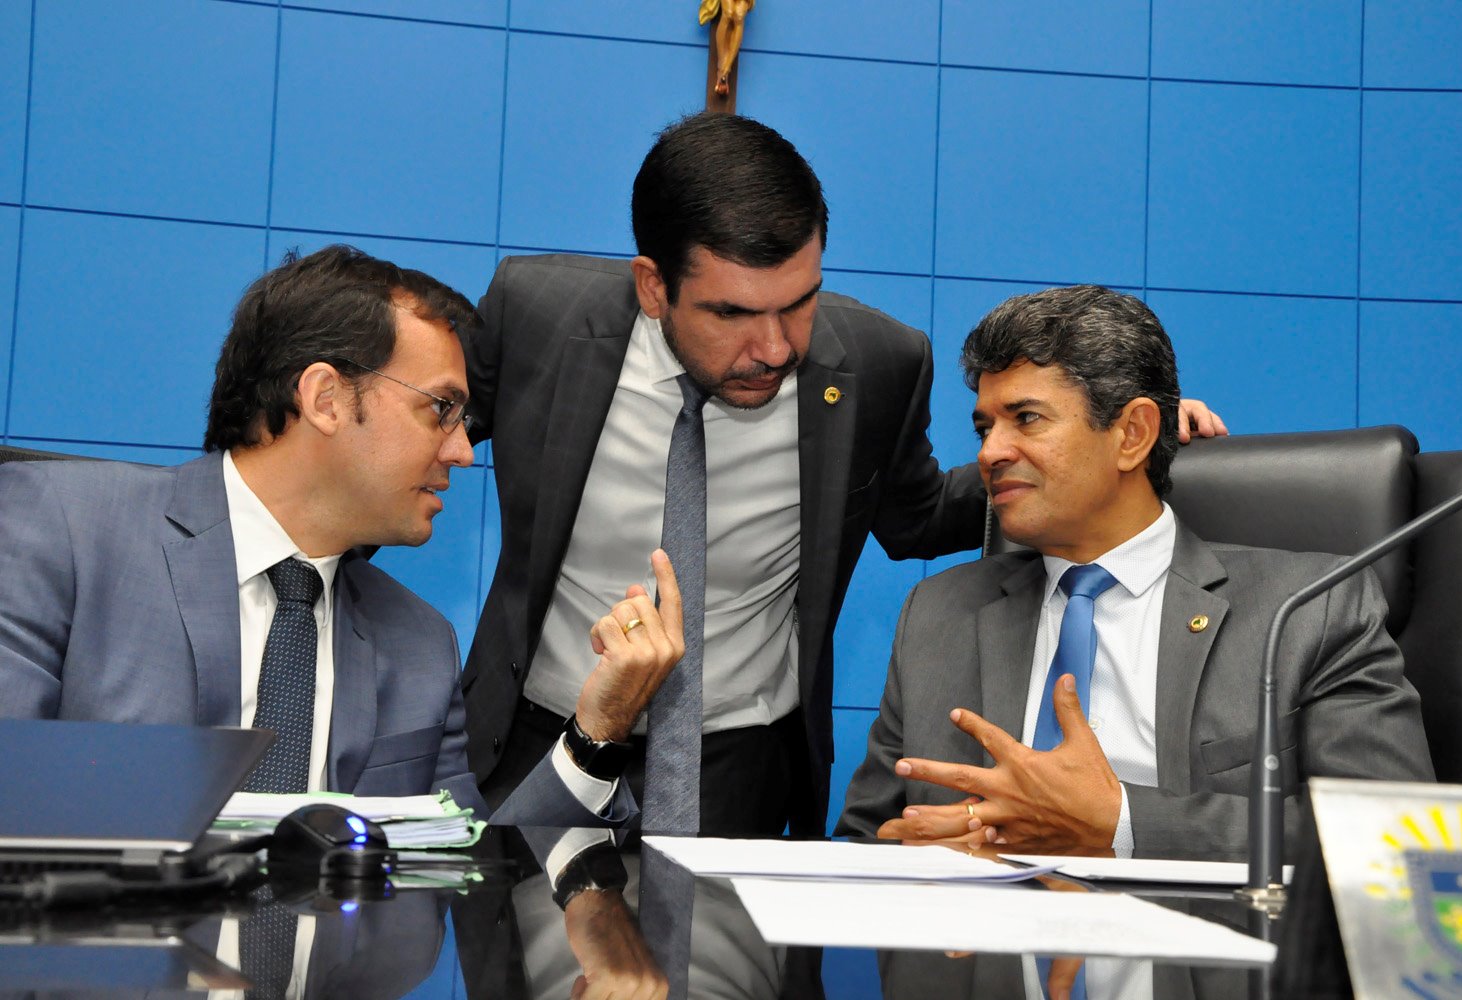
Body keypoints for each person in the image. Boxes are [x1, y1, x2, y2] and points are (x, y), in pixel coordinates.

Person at [460, 112, 1226, 837]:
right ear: (654, 286)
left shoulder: (874, 362)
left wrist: (1103, 439)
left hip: (736, 765)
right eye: (732, 314)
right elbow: (424, 434)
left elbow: (920, 516)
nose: (775, 348)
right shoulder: (537, 317)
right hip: (537, 736)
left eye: (799, 303)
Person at [0, 245, 682, 825]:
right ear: (325, 398)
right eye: (441, 409)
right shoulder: (60, 531)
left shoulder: (420, 646)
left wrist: (595, 733)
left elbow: (463, 878)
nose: (463, 450)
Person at [837, 284, 1433, 859]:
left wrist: (1123, 823)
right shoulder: (937, 616)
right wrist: (921, 854)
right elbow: (865, 842)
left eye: (1027, 418)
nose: (990, 452)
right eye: (984, 427)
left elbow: (1393, 837)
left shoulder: (1308, 610)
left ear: (1133, 434)